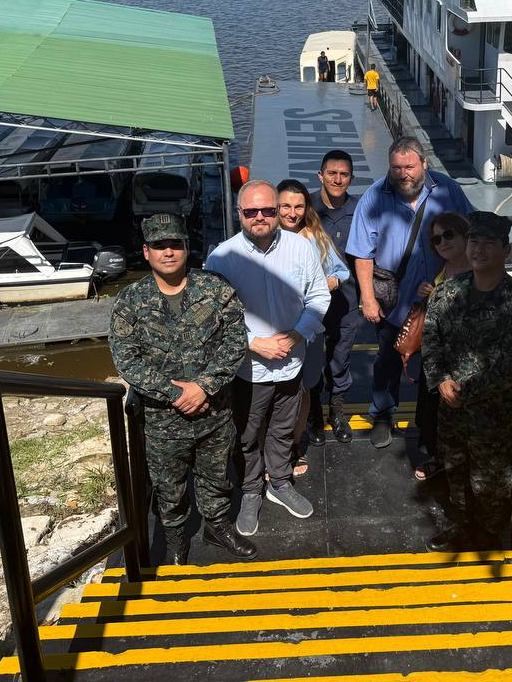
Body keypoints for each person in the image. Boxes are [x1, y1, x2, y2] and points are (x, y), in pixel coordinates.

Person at [109, 213, 256, 564]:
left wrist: (203, 387)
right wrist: (176, 394)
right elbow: (126, 359)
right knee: (168, 485)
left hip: (213, 411)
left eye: (175, 244)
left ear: (187, 248)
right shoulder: (130, 301)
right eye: (159, 246)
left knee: (216, 476)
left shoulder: (216, 289)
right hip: (163, 421)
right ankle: (175, 536)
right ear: (146, 252)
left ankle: (217, 526)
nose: (168, 252)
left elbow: (235, 341)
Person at [205, 180, 330, 537]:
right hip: (249, 368)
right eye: (251, 211)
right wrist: (253, 344)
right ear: (239, 213)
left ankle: (279, 481)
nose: (259, 217)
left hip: (291, 360)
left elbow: (318, 296)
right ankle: (250, 490)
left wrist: (296, 334)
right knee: (247, 434)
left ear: (276, 211)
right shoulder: (222, 258)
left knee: (283, 428)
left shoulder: (300, 247)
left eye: (267, 210)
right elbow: (212, 317)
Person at [422, 211, 512, 551]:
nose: (479, 249)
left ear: (506, 250)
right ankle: (462, 525)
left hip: (493, 414)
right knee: (455, 467)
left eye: (489, 243)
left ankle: (489, 534)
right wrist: (441, 380)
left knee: (491, 478)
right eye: (474, 241)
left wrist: (465, 390)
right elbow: (431, 337)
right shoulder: (448, 292)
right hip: (450, 405)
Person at [347, 136, 473, 448]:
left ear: (424, 164)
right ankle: (382, 414)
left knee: (437, 364)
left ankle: (428, 423)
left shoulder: (448, 190)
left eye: (409, 167)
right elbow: (362, 253)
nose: (403, 174)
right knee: (388, 359)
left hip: (442, 298)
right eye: (396, 168)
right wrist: (368, 298)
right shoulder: (374, 198)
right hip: (396, 299)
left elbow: (470, 233)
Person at [276, 178, 349, 473]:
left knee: (305, 387)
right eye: (285, 206)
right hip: (275, 328)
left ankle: (296, 443)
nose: (292, 213)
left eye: (298, 206)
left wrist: (328, 282)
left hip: (308, 328)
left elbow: (340, 271)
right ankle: (277, 449)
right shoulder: (265, 237)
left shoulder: (315, 237)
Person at [412, 211, 471, 482]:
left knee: (456, 414)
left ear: (464, 235)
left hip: (461, 360)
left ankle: (456, 464)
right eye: (437, 239)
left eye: (448, 235)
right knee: (431, 412)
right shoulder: (445, 269)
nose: (443, 242)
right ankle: (437, 458)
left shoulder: (476, 272)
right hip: (435, 356)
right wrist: (428, 293)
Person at [309, 149, 361, 444]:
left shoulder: (359, 211)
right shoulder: (306, 209)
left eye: (344, 174)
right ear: (321, 176)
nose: (337, 179)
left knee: (340, 359)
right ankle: (314, 413)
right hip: (310, 304)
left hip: (346, 301)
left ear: (351, 178)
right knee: (313, 360)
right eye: (332, 173)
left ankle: (337, 410)